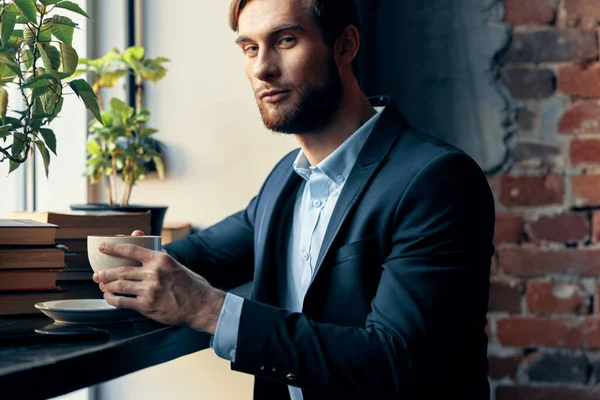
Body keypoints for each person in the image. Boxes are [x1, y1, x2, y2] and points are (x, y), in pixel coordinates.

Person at [92, 0, 495, 398]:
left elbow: (396, 362)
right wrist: (95, 267)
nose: (262, 68)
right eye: (250, 48)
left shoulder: (436, 180)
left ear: (345, 45)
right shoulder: (286, 177)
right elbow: (201, 253)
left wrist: (209, 310)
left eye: (285, 40)